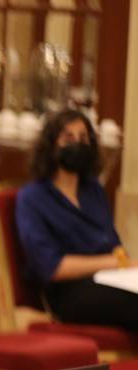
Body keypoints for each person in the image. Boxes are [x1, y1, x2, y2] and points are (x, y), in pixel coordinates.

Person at [15, 109, 137, 331]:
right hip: (68, 292)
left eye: (83, 138)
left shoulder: (93, 191)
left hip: (109, 279)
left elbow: (113, 244)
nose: (77, 144)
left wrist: (125, 263)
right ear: (51, 146)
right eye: (68, 138)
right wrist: (114, 262)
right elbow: (51, 267)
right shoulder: (32, 198)